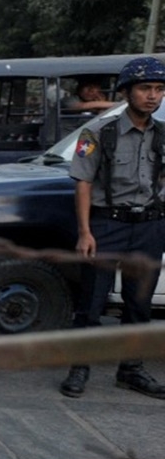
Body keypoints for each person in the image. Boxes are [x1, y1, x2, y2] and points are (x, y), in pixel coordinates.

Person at [58, 57, 165, 399]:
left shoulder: (163, 135)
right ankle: (80, 367)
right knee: (91, 302)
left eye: (159, 89)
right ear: (126, 92)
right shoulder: (98, 133)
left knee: (139, 303)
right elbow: (84, 183)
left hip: (149, 225)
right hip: (108, 224)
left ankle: (131, 369)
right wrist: (86, 232)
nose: (153, 96)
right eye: (145, 88)